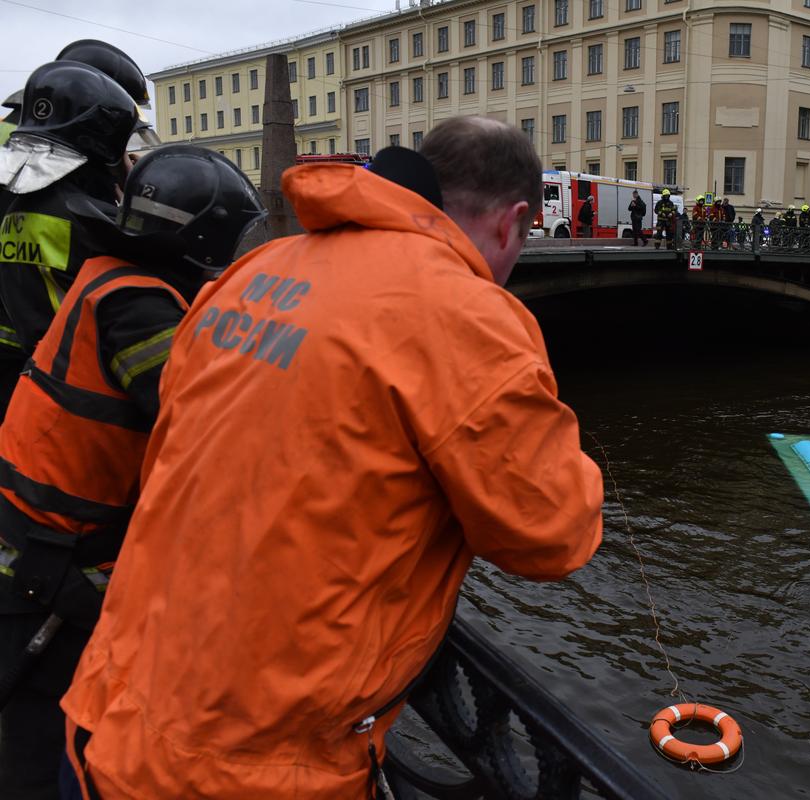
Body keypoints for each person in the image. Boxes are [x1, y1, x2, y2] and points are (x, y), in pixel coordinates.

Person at [62, 117, 605, 799]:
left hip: (106, 713)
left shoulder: (256, 270)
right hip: (246, 773)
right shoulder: (464, 312)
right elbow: (552, 535)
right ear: (514, 220)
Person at [0, 145, 265, 800]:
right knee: (43, 721)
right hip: (57, 551)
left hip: (31, 526)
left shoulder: (105, 273)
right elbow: (203, 422)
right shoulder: (140, 308)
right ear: (201, 239)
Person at [0, 60, 140, 416]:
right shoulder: (90, 220)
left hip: (28, 364)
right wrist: (137, 190)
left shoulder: (19, 205)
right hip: (75, 385)